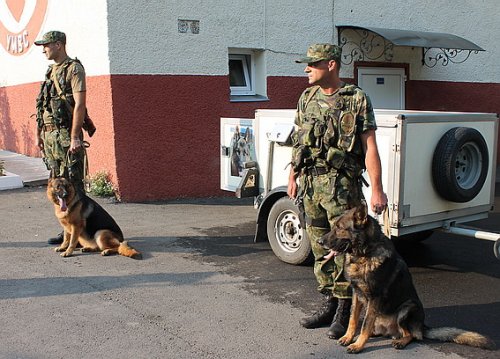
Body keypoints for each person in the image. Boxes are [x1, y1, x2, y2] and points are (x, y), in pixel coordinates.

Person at [287, 43, 388, 339]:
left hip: (342, 189)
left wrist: (377, 190)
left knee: (346, 251)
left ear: (331, 65)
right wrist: (293, 174)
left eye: (313, 63)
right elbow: (299, 142)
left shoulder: (356, 99)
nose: (307, 68)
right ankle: (329, 304)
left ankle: (345, 311)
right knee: (320, 247)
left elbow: (370, 146)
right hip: (312, 186)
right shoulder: (306, 97)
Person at [34, 30, 93, 245]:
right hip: (50, 137)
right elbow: (43, 106)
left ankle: (82, 230)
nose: (43, 49)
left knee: (73, 185)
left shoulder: (73, 69)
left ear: (59, 45)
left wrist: (75, 136)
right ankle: (67, 230)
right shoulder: (51, 71)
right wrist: (39, 134)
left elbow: (80, 104)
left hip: (66, 137)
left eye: (46, 45)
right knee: (57, 185)